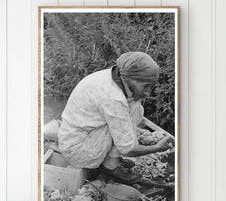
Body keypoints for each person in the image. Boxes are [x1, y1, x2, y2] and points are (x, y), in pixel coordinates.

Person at [58, 51, 172, 184]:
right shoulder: (114, 97)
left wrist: (139, 132)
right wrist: (157, 148)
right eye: (145, 86)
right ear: (129, 78)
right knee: (128, 116)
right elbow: (128, 149)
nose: (147, 93)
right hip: (78, 149)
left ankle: (112, 159)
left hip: (82, 135)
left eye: (151, 86)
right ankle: (110, 167)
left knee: (135, 105)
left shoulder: (117, 76)